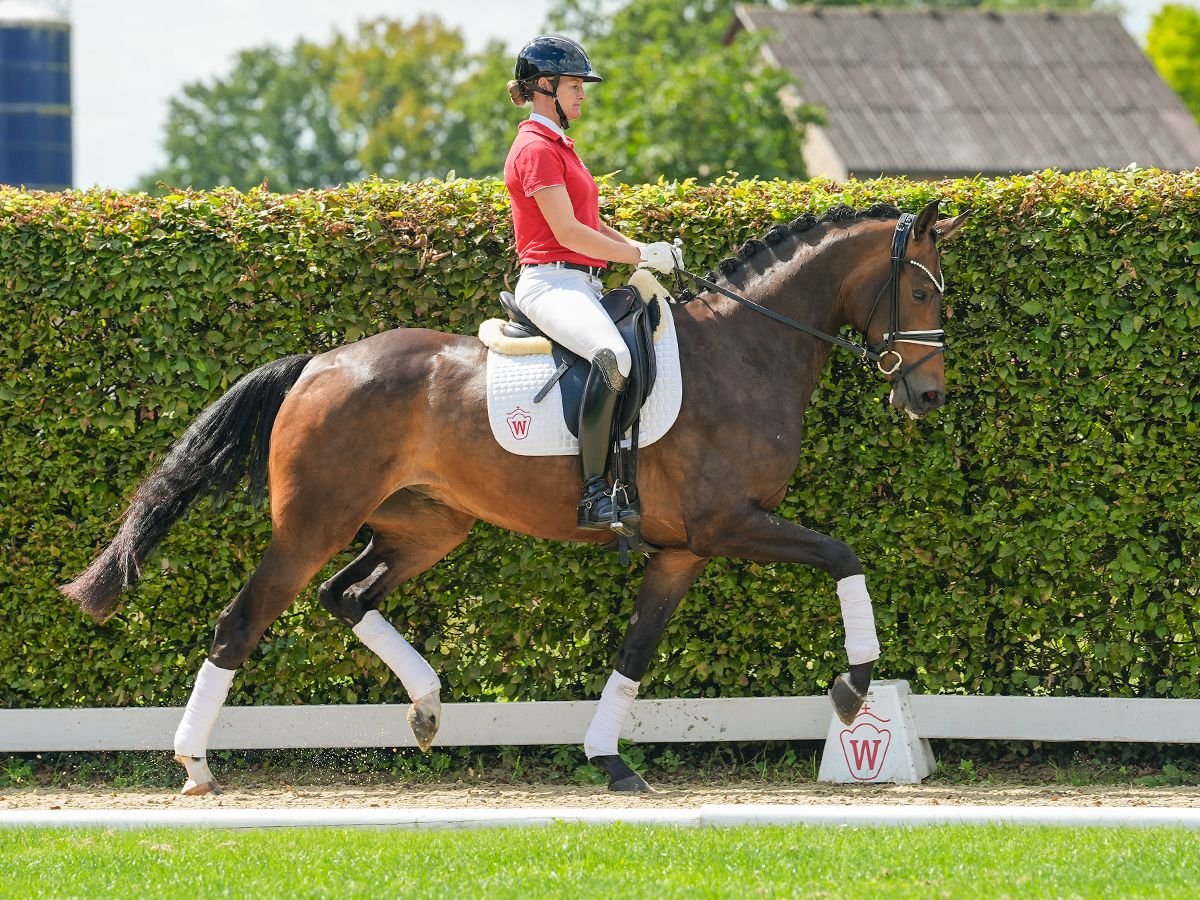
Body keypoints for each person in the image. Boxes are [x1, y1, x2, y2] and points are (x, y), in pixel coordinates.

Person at [503, 34, 681, 534]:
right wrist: (638, 255)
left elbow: (592, 224)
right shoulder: (535, 148)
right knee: (612, 356)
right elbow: (566, 233)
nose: (583, 94)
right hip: (549, 285)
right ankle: (593, 493)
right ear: (545, 87)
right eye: (575, 85)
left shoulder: (560, 147)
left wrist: (642, 253)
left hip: (583, 284)